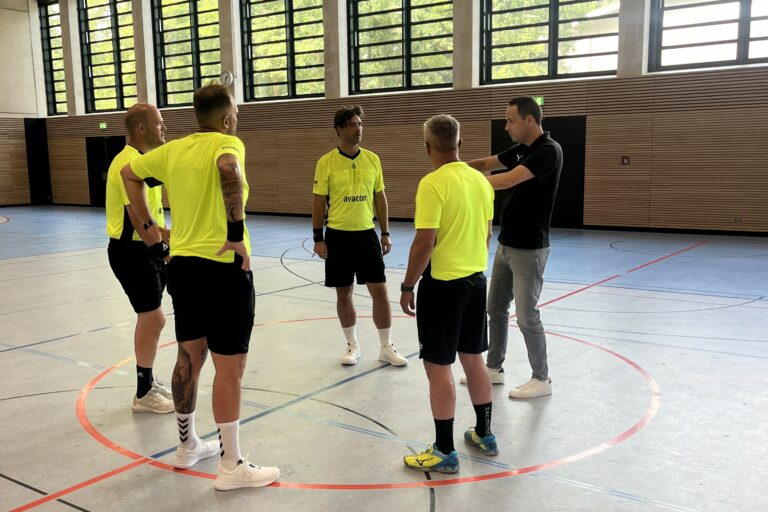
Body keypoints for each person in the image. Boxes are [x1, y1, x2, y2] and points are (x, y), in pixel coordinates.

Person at [121, 83, 280, 490]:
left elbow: (128, 174)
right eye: (236, 115)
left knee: (189, 356)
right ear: (226, 119)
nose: (236, 121)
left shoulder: (173, 150)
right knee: (230, 367)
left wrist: (149, 228)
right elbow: (229, 169)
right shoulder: (228, 143)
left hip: (183, 268)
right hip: (222, 269)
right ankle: (231, 466)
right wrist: (235, 233)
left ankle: (187, 444)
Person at [400, 115, 496, 474]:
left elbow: (425, 241)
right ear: (460, 143)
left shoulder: (432, 183)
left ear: (427, 146)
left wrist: (408, 284)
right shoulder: (481, 181)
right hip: (476, 282)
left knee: (438, 366)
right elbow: (487, 235)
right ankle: (485, 434)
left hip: (443, 287)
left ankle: (444, 450)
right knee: (473, 358)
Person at [463, 96, 563, 399]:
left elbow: (506, 180)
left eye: (510, 121)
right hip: (506, 244)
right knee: (495, 308)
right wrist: (453, 168)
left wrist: (461, 182)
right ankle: (494, 368)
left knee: (526, 315)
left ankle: (541, 378)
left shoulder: (548, 151)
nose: (506, 127)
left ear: (529, 120)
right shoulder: (522, 149)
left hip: (529, 249)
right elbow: (486, 164)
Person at [312, 105, 407, 367]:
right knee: (344, 293)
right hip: (338, 236)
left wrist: (385, 232)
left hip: (366, 235)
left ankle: (386, 346)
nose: (358, 129)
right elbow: (318, 202)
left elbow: (380, 197)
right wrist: (318, 238)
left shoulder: (373, 160)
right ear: (339, 129)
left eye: (360, 124)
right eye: (352, 125)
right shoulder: (325, 162)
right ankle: (352, 345)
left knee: (380, 291)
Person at [105, 103, 173, 414]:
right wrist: (163, 251)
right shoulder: (127, 163)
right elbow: (136, 216)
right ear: (142, 128)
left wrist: (169, 235)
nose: (164, 128)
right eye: (159, 123)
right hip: (132, 252)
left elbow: (151, 216)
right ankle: (143, 393)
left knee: (151, 318)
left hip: (145, 248)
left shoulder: (143, 162)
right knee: (154, 318)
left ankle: (147, 382)